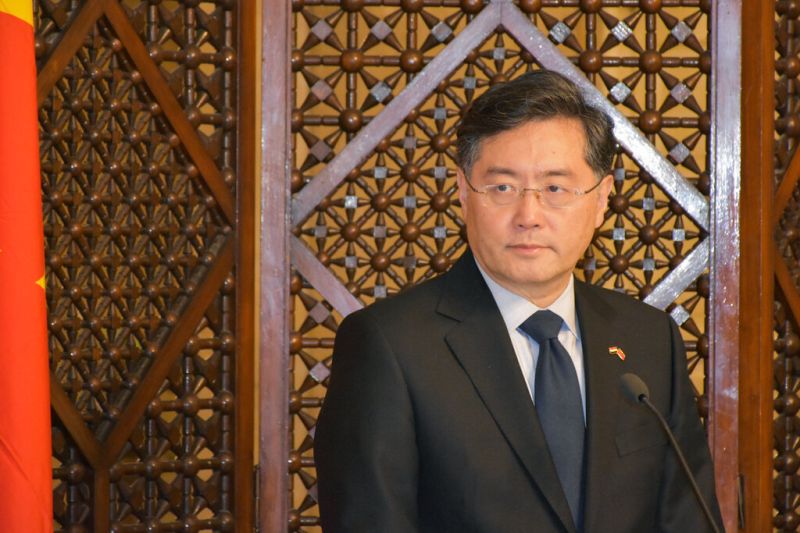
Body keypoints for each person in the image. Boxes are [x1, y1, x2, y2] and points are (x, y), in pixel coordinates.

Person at [314, 70, 721, 532]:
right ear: (463, 192)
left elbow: (689, 519)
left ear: (602, 199)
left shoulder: (649, 339)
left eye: (555, 188)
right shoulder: (389, 346)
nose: (529, 216)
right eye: (503, 187)